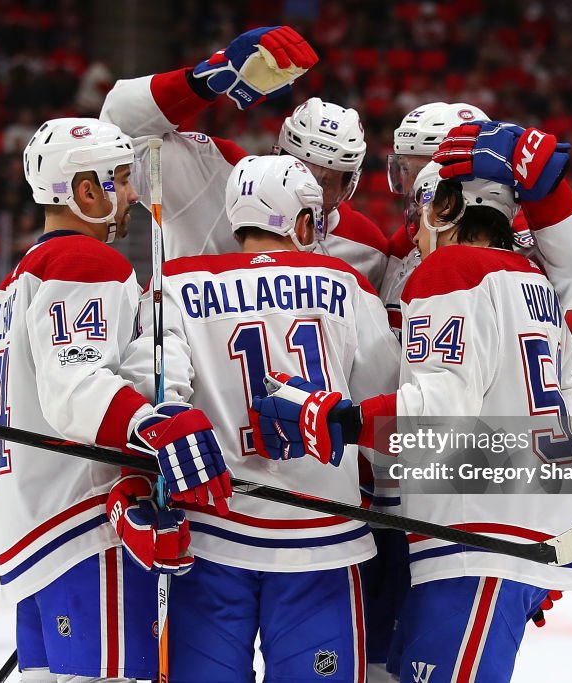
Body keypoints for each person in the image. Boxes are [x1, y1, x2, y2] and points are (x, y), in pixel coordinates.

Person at [253, 140, 572, 682]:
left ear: (447, 206)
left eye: (420, 211)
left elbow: (437, 416)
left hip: (476, 538)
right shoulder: (539, 286)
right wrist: (550, 532)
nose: (413, 233)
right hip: (508, 535)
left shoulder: (451, 269)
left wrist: (337, 419)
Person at [121, 154, 400, 682]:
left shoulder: (174, 283)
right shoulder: (344, 283)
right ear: (302, 222)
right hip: (323, 537)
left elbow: (153, 389)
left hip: (210, 535)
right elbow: (384, 404)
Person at [0, 117, 231, 682]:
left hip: (35, 529)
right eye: (119, 180)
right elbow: (74, 386)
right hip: (84, 531)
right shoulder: (84, 263)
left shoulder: (15, 281)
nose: (131, 195)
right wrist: (152, 426)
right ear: (84, 191)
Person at [99, 26, 390, 289]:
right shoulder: (217, 174)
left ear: (348, 187)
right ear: (275, 156)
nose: (309, 191)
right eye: (299, 171)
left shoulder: (369, 248)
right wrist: (203, 82)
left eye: (326, 182)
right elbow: (117, 133)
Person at [381, 103, 572, 337]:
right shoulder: (408, 239)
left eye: (420, 171)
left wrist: (540, 179)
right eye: (403, 169)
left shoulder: (522, 239)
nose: (410, 187)